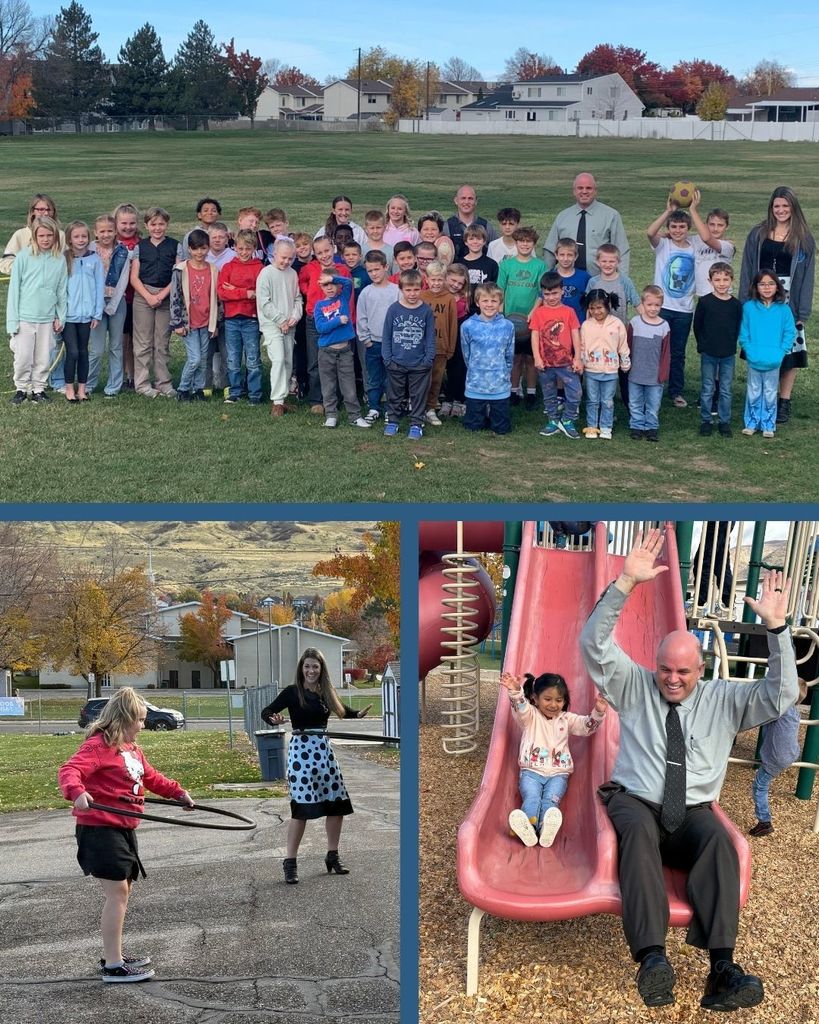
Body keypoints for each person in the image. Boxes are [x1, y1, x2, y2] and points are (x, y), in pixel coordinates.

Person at [579, 529, 797, 1011]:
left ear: (701, 669)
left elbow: (780, 696)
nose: (673, 680)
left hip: (692, 810)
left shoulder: (724, 699)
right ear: (654, 666)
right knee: (634, 830)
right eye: (665, 670)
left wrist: (779, 632)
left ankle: (722, 969)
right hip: (636, 800)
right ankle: (653, 960)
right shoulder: (634, 685)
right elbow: (593, 645)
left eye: (684, 671)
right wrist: (623, 585)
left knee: (719, 840)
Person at [57, 687, 194, 982]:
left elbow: (151, 777)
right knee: (117, 892)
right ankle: (113, 966)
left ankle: (112, 953)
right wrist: (78, 792)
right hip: (98, 827)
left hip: (122, 827)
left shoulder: (132, 750)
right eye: (140, 720)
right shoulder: (98, 746)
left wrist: (178, 793)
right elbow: (69, 771)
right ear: (124, 718)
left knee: (123, 891)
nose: (143, 726)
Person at [260, 648, 371, 884]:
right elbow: (267, 711)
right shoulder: (292, 693)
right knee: (301, 809)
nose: (311, 671)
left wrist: (357, 714)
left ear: (321, 670)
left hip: (324, 753)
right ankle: (290, 863)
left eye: (315, 667)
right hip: (301, 755)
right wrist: (273, 719)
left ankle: (332, 855)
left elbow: (342, 710)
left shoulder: (326, 692)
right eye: (307, 666)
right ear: (302, 668)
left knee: (336, 804)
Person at [500, 670, 606, 847]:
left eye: (559, 700)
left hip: (558, 774)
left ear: (565, 701)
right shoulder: (530, 717)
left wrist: (599, 711)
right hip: (531, 772)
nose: (553, 704)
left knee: (550, 800)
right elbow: (521, 708)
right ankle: (529, 826)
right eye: (547, 699)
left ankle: (545, 827)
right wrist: (515, 692)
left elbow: (586, 727)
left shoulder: (566, 719)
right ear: (535, 698)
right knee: (532, 797)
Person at [739, 186, 815, 424]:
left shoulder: (803, 238)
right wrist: (745, 301)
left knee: (789, 352)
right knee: (762, 347)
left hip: (788, 303)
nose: (781, 210)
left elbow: (808, 276)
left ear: (793, 207)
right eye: (777, 206)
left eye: (785, 206)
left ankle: (784, 401)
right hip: (760, 298)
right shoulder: (758, 233)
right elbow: (747, 267)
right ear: (771, 208)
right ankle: (759, 398)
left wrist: (801, 311)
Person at [6, 215, 67, 405]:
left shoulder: (59, 260)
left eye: (50, 235)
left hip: (47, 317)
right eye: (41, 235)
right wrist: (12, 321)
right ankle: (21, 388)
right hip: (24, 316)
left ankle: (38, 388)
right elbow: (14, 290)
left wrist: (60, 316)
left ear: (55, 236)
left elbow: (61, 291)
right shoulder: (24, 257)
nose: (46, 239)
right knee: (23, 355)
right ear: (34, 236)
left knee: (43, 355)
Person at [646, 203, 697, 408]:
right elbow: (650, 232)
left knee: (678, 352)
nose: (677, 231)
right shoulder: (663, 245)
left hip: (684, 309)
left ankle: (675, 390)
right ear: (668, 228)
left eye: (682, 227)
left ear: (688, 228)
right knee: (655, 348)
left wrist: (693, 209)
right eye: (674, 227)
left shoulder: (695, 246)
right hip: (662, 307)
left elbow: (711, 237)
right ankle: (650, 385)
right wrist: (667, 210)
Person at [739, 271, 796, 438]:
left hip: (774, 359)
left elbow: (789, 332)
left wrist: (781, 351)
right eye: (762, 284)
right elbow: (743, 332)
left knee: (770, 392)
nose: (766, 287)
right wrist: (748, 350)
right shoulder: (748, 307)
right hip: (754, 357)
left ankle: (768, 424)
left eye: (770, 283)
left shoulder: (784, 310)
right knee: (754, 390)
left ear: (777, 286)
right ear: (756, 287)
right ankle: (751, 422)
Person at [129, 206, 178, 398]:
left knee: (162, 342)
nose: (157, 228)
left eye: (161, 224)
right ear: (147, 226)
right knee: (142, 342)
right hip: (144, 296)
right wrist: (148, 296)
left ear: (167, 224)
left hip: (166, 296)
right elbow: (134, 277)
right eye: (153, 224)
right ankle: (142, 384)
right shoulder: (140, 247)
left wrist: (162, 295)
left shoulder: (175, 245)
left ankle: (164, 383)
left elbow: (177, 274)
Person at [750, 679, 809, 837]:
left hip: (778, 757)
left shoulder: (780, 709)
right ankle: (764, 821)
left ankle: (764, 821)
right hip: (790, 753)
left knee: (759, 787)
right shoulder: (793, 711)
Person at [381, 269, 436, 439]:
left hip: (419, 363)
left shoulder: (426, 311)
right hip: (396, 361)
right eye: (408, 290)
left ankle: (416, 424)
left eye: (416, 289)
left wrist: (428, 359)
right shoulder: (394, 309)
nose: (412, 294)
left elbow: (430, 338)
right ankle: (393, 421)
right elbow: (387, 335)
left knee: (418, 395)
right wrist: (388, 358)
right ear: (401, 289)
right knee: (394, 394)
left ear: (421, 288)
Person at [497, 226, 546, 410]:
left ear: (533, 244)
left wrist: (534, 312)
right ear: (516, 243)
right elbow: (500, 289)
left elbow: (541, 292)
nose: (525, 245)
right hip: (510, 319)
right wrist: (502, 312)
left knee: (531, 358)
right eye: (521, 241)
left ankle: (532, 392)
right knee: (515, 358)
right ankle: (514, 390)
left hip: (531, 319)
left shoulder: (539, 265)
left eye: (528, 242)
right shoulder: (507, 264)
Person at [313, 273, 370, 429]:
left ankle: (355, 416)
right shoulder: (319, 305)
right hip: (326, 351)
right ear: (321, 287)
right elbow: (321, 328)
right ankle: (331, 415)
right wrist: (338, 320)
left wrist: (331, 278)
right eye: (325, 285)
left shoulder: (342, 298)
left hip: (345, 351)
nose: (330, 288)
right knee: (328, 385)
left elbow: (348, 283)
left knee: (349, 385)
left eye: (332, 284)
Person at [544, 173, 630, 275]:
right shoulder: (562, 217)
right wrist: (547, 278)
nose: (584, 191)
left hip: (600, 279)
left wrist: (623, 280)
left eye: (588, 188)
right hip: (570, 280)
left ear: (595, 191)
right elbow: (550, 249)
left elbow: (621, 250)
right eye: (580, 188)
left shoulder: (611, 215)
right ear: (574, 191)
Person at [168, 228, 219, 402]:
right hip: (188, 322)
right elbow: (175, 297)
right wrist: (177, 323)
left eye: (203, 248)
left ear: (208, 248)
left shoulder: (213, 269)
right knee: (194, 359)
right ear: (189, 249)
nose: (200, 252)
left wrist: (216, 323)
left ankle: (198, 389)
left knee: (203, 359)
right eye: (196, 248)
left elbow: (216, 298)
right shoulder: (180, 270)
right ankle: (183, 388)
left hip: (206, 321)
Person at [530, 270, 582, 439]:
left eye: (554, 293)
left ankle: (567, 420)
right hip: (545, 363)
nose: (551, 297)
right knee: (549, 394)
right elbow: (535, 335)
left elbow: (575, 334)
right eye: (547, 294)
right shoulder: (539, 313)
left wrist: (578, 357)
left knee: (575, 392)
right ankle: (553, 420)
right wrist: (537, 357)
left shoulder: (569, 312)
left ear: (562, 291)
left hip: (566, 362)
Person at [693, 263, 742, 438]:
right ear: (710, 280)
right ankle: (706, 420)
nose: (721, 283)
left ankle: (724, 422)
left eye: (725, 279)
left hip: (728, 353)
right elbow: (697, 326)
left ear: (731, 280)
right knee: (708, 387)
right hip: (709, 352)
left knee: (726, 389)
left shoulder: (736, 305)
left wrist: (731, 344)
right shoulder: (705, 302)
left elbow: (737, 327)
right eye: (717, 279)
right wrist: (703, 345)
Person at [87, 215, 133, 398]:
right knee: (96, 349)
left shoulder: (123, 252)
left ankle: (114, 386)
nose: (106, 234)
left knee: (116, 346)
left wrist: (113, 305)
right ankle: (89, 383)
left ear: (115, 231)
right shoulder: (89, 249)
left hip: (116, 303)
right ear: (95, 232)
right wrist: (96, 306)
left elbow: (123, 281)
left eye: (110, 231)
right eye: (102, 231)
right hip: (94, 304)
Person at [256, 237, 303, 417]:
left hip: (289, 325)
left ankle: (283, 398)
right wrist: (280, 320)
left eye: (290, 258)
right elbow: (265, 302)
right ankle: (276, 400)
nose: (286, 261)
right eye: (283, 257)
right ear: (274, 255)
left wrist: (294, 316)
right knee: (278, 359)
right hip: (272, 325)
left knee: (288, 361)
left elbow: (297, 298)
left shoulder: (292, 274)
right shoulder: (266, 273)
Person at [460, 282, 514, 435]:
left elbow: (509, 353)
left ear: (500, 303)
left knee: (502, 429)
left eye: (494, 301)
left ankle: (495, 413)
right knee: (473, 427)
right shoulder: (468, 326)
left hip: (500, 384)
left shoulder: (507, 326)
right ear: (477, 302)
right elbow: (466, 353)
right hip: (476, 383)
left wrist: (505, 373)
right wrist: (474, 370)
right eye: (485, 300)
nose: (489, 304)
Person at [217, 228, 264, 405]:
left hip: (251, 318)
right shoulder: (228, 267)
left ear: (253, 249)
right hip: (231, 319)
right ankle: (235, 391)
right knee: (233, 357)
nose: (244, 252)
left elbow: (260, 293)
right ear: (235, 247)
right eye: (240, 248)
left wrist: (235, 290)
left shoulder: (259, 267)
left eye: (248, 249)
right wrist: (246, 292)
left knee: (252, 358)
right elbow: (222, 292)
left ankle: (255, 393)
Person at [579, 289, 630, 440]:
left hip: (611, 371)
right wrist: (581, 362)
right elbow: (582, 346)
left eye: (599, 307)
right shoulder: (586, 325)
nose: (596, 311)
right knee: (592, 400)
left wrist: (625, 362)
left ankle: (606, 427)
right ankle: (592, 426)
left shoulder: (617, 324)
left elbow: (623, 345)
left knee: (607, 401)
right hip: (592, 370)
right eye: (592, 308)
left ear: (607, 305)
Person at [62, 220, 104, 403]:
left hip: (87, 315)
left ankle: (82, 389)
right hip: (68, 316)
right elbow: (59, 288)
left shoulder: (94, 260)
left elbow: (99, 286)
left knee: (83, 351)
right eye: (76, 236)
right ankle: (69, 388)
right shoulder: (64, 258)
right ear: (70, 239)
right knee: (72, 352)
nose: (81, 239)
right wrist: (59, 314)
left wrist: (97, 313)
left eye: (84, 236)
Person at [356, 250, 400, 424]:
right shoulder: (366, 293)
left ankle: (391, 408)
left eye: (377, 269)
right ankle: (374, 407)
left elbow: (400, 316)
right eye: (370, 271)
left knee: (391, 378)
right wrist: (365, 339)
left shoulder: (396, 291)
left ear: (385, 267)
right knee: (374, 377)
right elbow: (361, 317)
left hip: (392, 344)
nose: (374, 273)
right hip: (372, 343)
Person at [626, 285, 670, 442]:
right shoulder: (635, 322)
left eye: (657, 305)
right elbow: (628, 345)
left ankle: (651, 427)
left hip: (654, 375)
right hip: (636, 373)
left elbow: (666, 353)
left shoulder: (664, 326)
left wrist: (663, 373)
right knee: (635, 402)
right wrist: (626, 365)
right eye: (649, 305)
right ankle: (637, 426)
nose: (653, 308)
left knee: (653, 404)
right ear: (643, 304)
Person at [420, 260, 458, 426]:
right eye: (433, 279)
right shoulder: (421, 296)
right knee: (421, 379)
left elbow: (452, 324)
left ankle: (430, 409)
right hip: (421, 348)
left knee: (436, 379)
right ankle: (418, 408)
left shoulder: (449, 299)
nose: (436, 283)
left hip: (441, 347)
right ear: (426, 279)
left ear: (445, 280)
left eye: (440, 279)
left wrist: (450, 347)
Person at [0, 193, 65, 276]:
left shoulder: (61, 235)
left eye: (49, 210)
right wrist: (28, 268)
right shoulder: (20, 234)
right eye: (41, 209)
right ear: (33, 211)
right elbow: (5, 263)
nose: (46, 213)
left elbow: (68, 261)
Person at [439, 263, 471, 418]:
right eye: (453, 280)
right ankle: (445, 398)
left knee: (458, 367)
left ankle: (458, 398)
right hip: (441, 333)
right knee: (441, 367)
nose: (456, 285)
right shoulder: (438, 294)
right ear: (445, 277)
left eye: (460, 283)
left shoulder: (464, 298)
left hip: (459, 334)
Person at [443, 184, 498, 261]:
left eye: (470, 198)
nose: (466, 202)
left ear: (476, 201)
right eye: (463, 198)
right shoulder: (446, 226)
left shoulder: (486, 226)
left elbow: (496, 250)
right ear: (456, 200)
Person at [553, 237, 590, 322]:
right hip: (556, 323)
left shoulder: (585, 277)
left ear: (576, 256)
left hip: (579, 322)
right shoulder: (550, 276)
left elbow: (590, 302)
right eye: (562, 255)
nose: (565, 259)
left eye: (569, 255)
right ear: (556, 255)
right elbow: (543, 298)